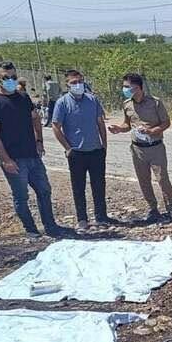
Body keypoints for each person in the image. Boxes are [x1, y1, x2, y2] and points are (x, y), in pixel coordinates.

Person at [0, 62, 65, 237]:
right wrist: (6, 160)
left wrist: (39, 141)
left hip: (32, 155)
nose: (10, 80)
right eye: (5, 77)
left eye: (13, 77)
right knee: (21, 196)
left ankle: (50, 226)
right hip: (13, 159)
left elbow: (35, 118)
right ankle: (31, 230)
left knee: (44, 191)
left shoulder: (23, 97)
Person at [107, 73, 172, 223]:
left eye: (127, 86)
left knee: (163, 179)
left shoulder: (155, 103)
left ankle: (171, 210)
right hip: (138, 149)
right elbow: (127, 124)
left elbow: (166, 122)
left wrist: (152, 131)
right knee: (144, 180)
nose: (124, 89)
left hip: (155, 147)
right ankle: (153, 209)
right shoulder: (127, 104)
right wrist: (119, 128)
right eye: (124, 86)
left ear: (137, 87)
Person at [51, 69, 110, 233]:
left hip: (96, 150)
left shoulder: (92, 100)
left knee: (99, 184)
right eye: (74, 82)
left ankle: (101, 216)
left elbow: (100, 122)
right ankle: (82, 219)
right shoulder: (62, 103)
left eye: (80, 81)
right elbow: (56, 126)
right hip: (76, 152)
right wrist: (67, 148)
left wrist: (104, 144)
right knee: (78, 187)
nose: (78, 85)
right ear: (67, 84)